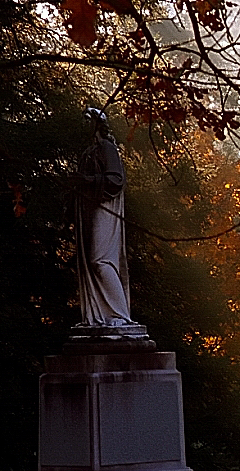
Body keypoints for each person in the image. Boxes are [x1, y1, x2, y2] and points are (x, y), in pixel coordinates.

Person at [74, 107, 133, 327]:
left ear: (97, 124)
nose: (84, 125)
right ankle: (99, 317)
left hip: (105, 205)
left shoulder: (106, 148)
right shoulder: (90, 151)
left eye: (87, 120)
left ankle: (120, 315)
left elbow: (115, 180)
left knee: (100, 260)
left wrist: (87, 180)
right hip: (90, 207)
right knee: (92, 263)